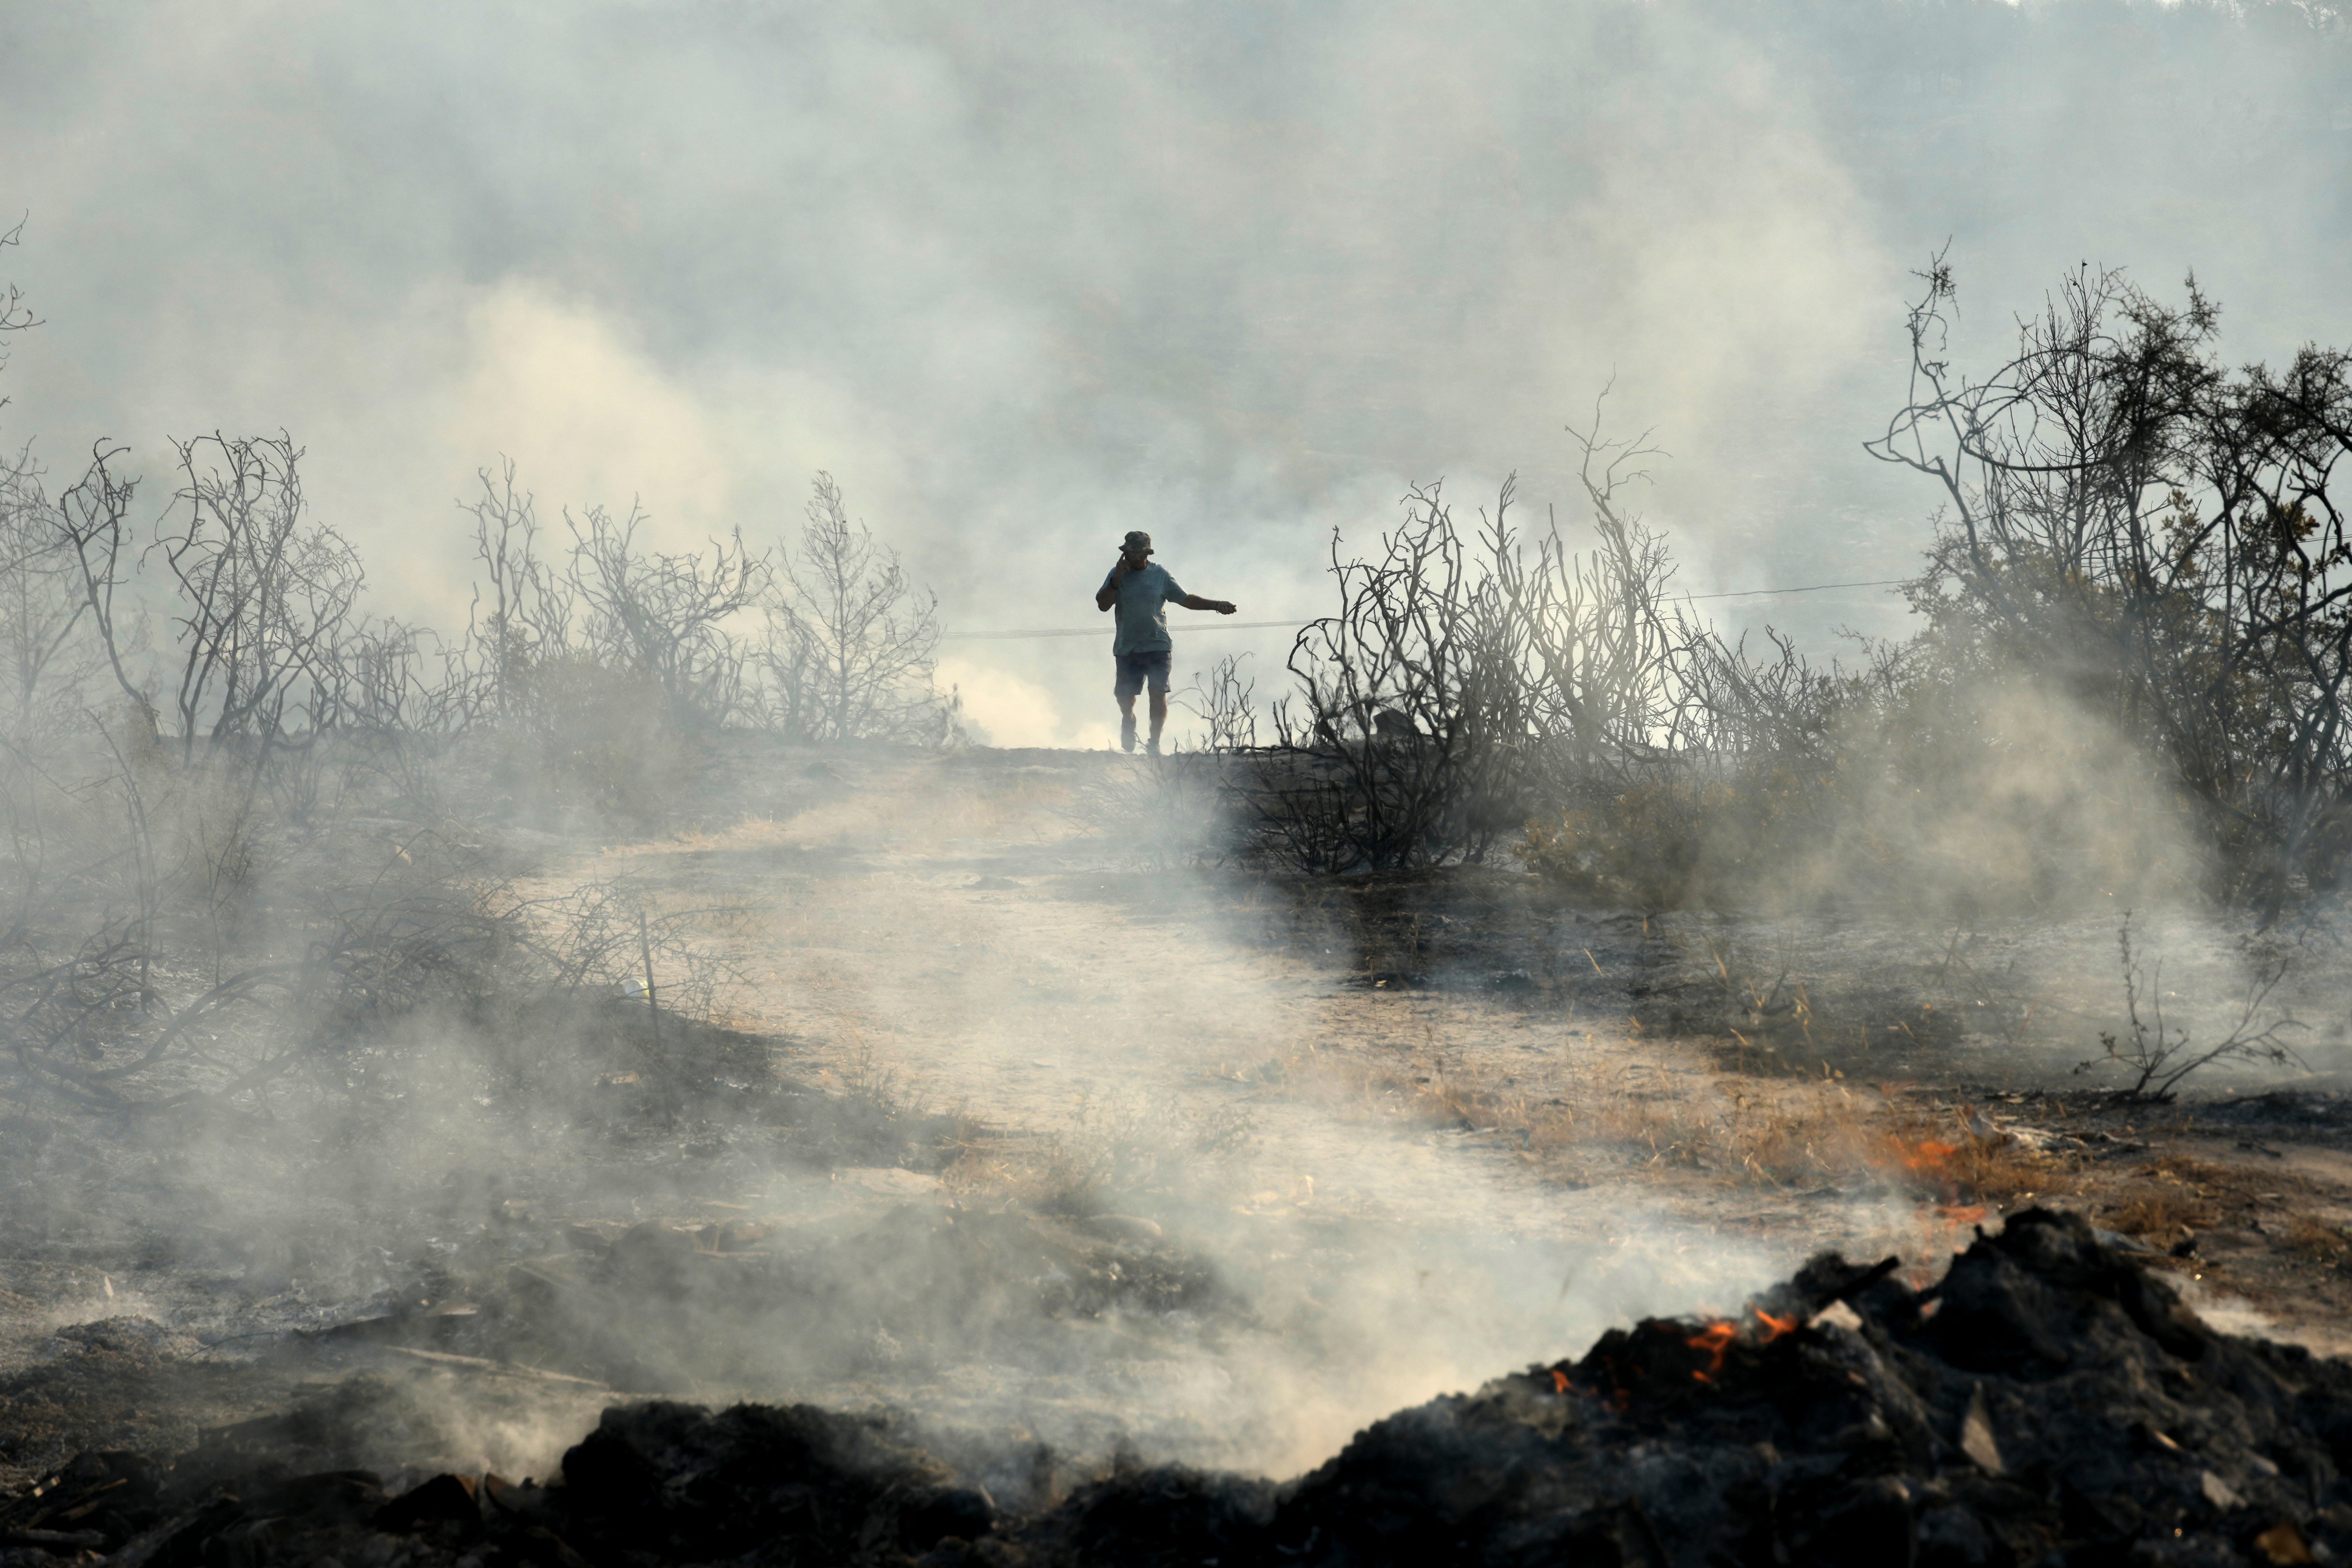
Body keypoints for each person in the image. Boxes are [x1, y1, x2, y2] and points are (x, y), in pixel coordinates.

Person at [1094, 529, 1236, 754]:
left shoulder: (1160, 574)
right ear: (1125, 554)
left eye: (1141, 553)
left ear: (1148, 553)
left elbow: (1186, 599)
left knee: (1158, 692)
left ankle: (1154, 742)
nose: (1137, 557)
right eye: (1133, 553)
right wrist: (1116, 579)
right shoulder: (1116, 574)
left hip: (1158, 644)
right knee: (1125, 698)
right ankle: (1128, 720)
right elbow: (1103, 605)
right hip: (1127, 646)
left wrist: (1216, 605)